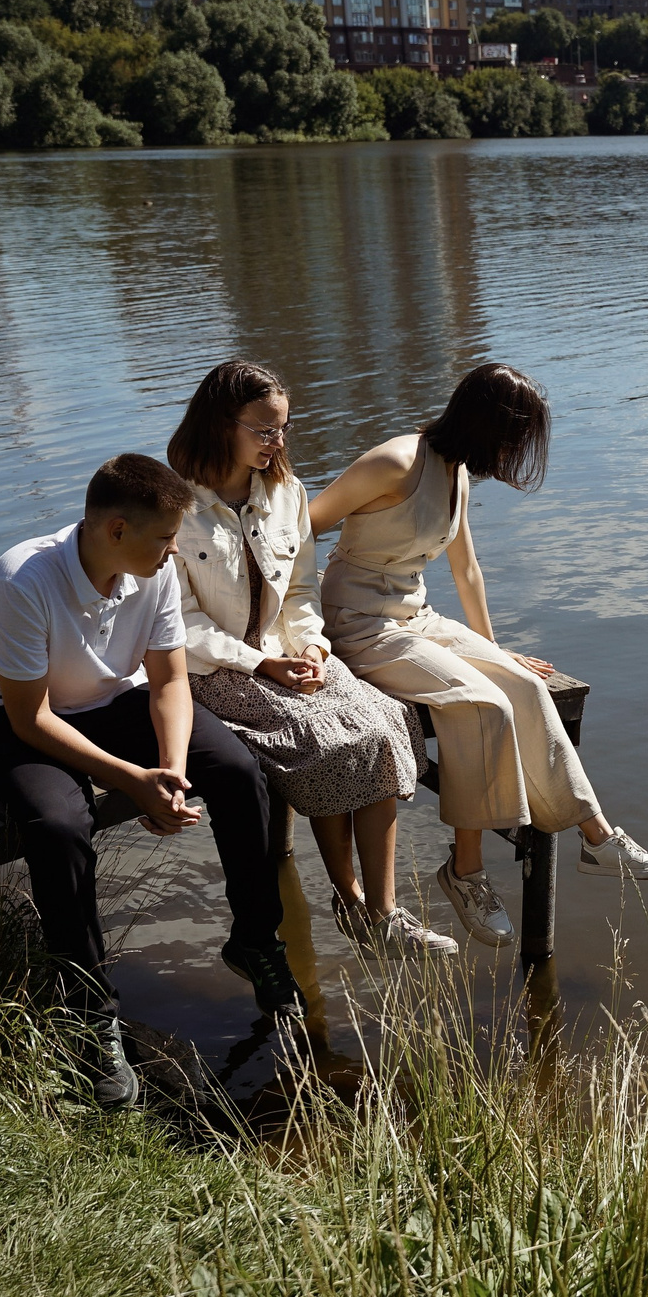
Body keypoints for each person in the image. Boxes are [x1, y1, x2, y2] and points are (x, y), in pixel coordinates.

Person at [0, 453, 299, 1108]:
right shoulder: (21, 579)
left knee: (234, 769)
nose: (175, 553)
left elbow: (169, 681)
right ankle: (90, 1015)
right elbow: (29, 717)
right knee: (60, 825)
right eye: (165, 538)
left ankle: (256, 939)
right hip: (26, 719)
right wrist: (129, 780)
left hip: (118, 700)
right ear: (116, 529)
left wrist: (169, 769)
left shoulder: (154, 570)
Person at [309, 363, 648, 947]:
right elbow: (300, 530)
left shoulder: (453, 472)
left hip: (415, 616)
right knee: (482, 705)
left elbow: (467, 570)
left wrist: (493, 649)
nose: (517, 450)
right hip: (358, 623)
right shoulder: (396, 462)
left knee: (523, 688)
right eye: (515, 435)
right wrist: (292, 632)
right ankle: (465, 871)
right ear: (487, 425)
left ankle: (599, 840)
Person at [165, 362, 458, 959]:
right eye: (264, 430)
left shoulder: (285, 493)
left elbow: (299, 590)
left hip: (285, 652)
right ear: (223, 424)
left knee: (383, 723)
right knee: (325, 739)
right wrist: (258, 663)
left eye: (283, 429)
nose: (278, 444)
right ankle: (350, 898)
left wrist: (312, 647)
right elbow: (178, 623)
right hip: (215, 669)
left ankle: (382, 912)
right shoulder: (174, 505)